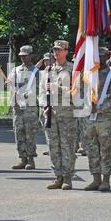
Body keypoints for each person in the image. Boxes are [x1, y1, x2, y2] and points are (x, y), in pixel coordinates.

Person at [39, 40, 76, 190]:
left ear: (66, 51)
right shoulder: (48, 70)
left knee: (67, 145)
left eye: (60, 50)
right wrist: (44, 106)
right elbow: (42, 92)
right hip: (51, 114)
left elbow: (77, 93)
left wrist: (58, 88)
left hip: (67, 114)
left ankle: (67, 177)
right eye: (55, 49)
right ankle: (58, 176)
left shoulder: (73, 69)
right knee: (53, 145)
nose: (56, 52)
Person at [83, 47, 111, 192]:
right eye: (96, 56)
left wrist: (100, 108)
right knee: (91, 149)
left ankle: (106, 180)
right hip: (90, 117)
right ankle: (95, 178)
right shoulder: (89, 74)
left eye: (101, 56)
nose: (98, 59)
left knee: (105, 149)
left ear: (107, 56)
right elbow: (81, 93)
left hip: (105, 118)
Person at [9, 45, 40, 170]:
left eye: (25, 55)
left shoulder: (36, 71)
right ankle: (22, 158)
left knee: (30, 133)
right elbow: (10, 85)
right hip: (17, 107)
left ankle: (31, 160)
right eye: (21, 56)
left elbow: (38, 88)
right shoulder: (15, 70)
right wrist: (13, 91)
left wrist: (25, 94)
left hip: (30, 107)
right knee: (19, 132)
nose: (22, 58)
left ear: (30, 55)